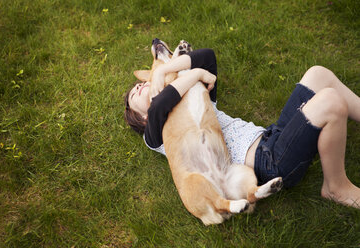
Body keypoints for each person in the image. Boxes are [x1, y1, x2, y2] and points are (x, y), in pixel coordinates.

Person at [124, 48, 360, 208]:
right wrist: (194, 73)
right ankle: (336, 187)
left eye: (140, 84)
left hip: (271, 137)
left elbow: (207, 56)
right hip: (268, 163)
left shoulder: (199, 99)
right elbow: (160, 106)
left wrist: (165, 70)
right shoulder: (157, 135)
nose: (140, 86)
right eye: (136, 94)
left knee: (318, 75)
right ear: (142, 119)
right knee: (330, 100)